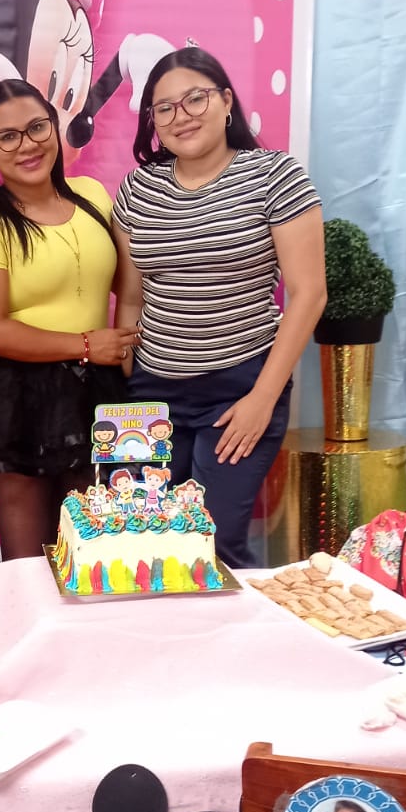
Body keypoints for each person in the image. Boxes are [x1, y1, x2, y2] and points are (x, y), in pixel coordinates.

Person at [113, 47, 326, 570]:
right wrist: (126, 383)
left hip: (238, 389)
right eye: (164, 108)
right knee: (145, 548)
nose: (181, 116)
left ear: (226, 101)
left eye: (196, 98)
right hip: (150, 392)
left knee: (211, 548)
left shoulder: (275, 176)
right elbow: (132, 297)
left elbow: (309, 293)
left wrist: (263, 399)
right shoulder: (138, 189)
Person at [0, 79, 136, 560]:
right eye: (7, 136)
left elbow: (131, 286)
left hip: (100, 386)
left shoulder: (92, 195)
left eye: (37, 127)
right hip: (19, 395)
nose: (27, 145)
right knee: (28, 561)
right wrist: (86, 344)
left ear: (54, 126)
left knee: (96, 555)